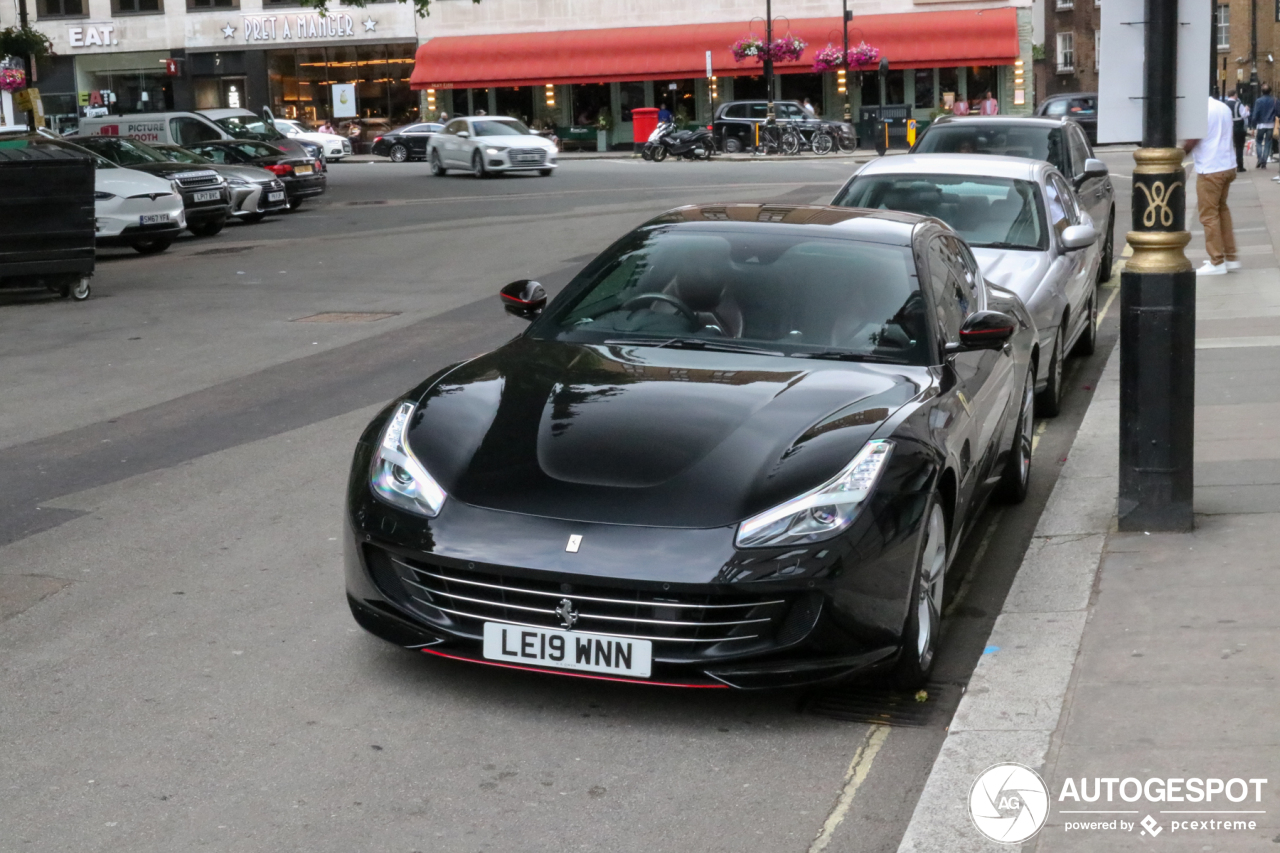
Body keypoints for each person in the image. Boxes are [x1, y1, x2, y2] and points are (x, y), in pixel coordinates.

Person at [1186, 96, 1240, 276]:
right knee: (1222, 210)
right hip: (1228, 165)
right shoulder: (1223, 106)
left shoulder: (1199, 111)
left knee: (1208, 216)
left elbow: (1192, 140)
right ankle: (1231, 258)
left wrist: (1178, 153)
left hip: (1210, 169)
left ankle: (1216, 261)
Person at [1250, 84, 1277, 169]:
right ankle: (1264, 161)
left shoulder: (1258, 101)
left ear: (1262, 91)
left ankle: (1260, 159)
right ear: (1270, 91)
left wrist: (1253, 126)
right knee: (1268, 143)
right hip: (1271, 124)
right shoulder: (1275, 100)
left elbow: (1255, 114)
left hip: (1261, 124)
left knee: (1258, 142)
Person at [1225, 89, 1246, 172]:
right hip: (1238, 128)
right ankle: (1239, 166)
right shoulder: (1238, 104)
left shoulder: (1224, 104)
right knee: (1239, 147)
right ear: (1235, 95)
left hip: (1227, 128)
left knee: (1227, 147)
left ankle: (1227, 166)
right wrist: (1247, 110)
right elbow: (1244, 115)